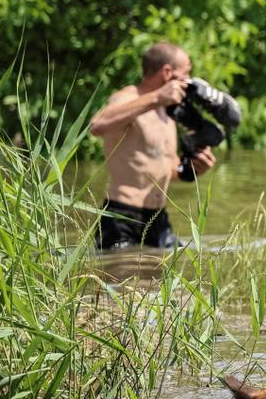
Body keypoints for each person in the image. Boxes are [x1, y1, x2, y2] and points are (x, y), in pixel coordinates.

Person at [89, 42, 216, 250]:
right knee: (123, 280)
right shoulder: (128, 98)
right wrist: (157, 98)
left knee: (163, 280)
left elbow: (168, 167)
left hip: (158, 219)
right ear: (167, 72)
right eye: (186, 73)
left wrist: (191, 169)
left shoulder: (167, 113)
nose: (188, 80)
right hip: (122, 217)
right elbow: (97, 125)